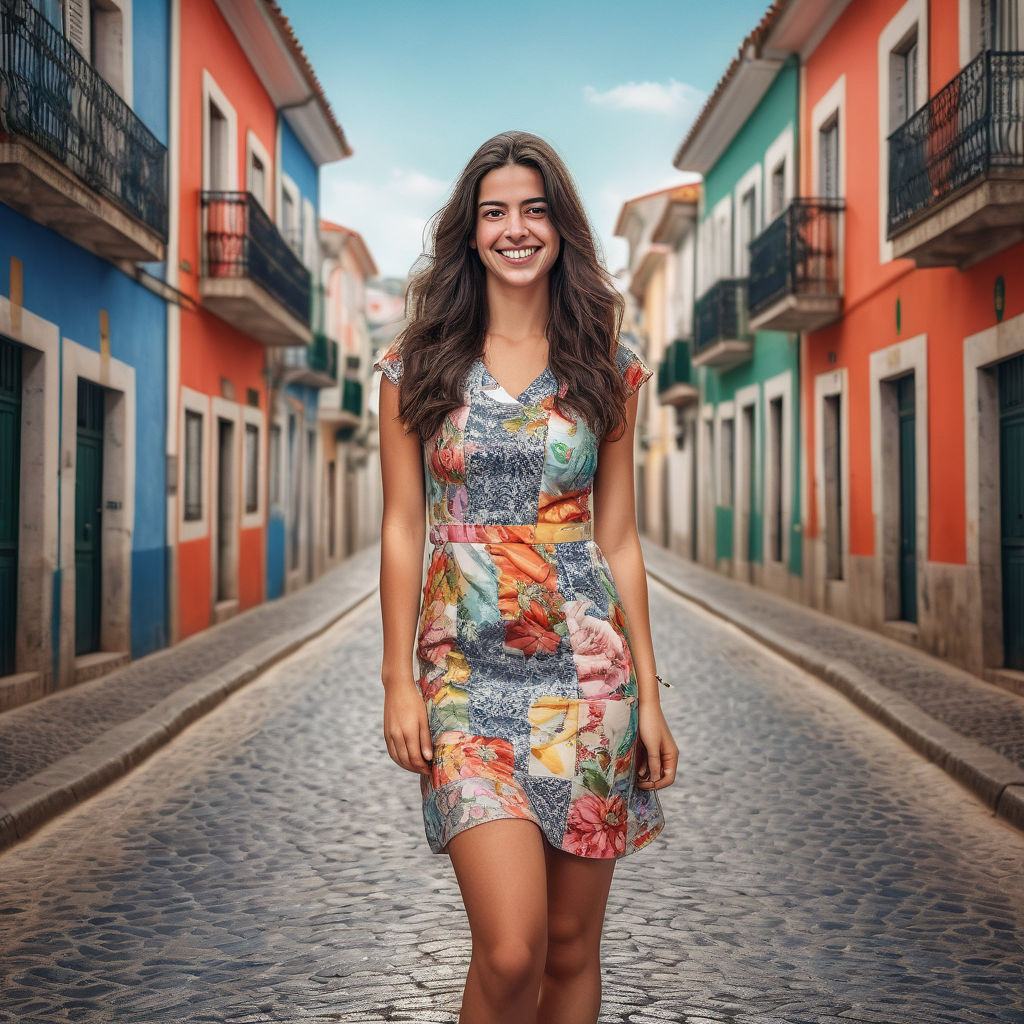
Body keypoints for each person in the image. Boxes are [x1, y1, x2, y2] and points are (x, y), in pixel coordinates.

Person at [374, 130, 678, 1024]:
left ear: (560, 229)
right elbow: (403, 525)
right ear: (469, 233)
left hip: (590, 685)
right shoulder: (416, 366)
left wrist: (650, 696)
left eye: (534, 210)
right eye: (495, 212)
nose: (516, 228)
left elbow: (618, 540)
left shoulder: (605, 368)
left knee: (572, 949)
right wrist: (399, 679)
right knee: (511, 952)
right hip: (465, 685)